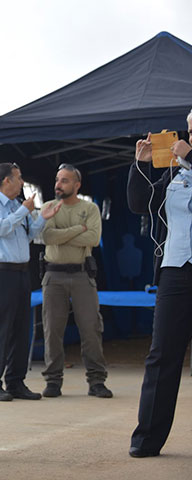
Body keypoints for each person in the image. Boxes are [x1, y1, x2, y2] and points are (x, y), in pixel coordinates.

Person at [127, 111, 192, 458]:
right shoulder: (175, 173)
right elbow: (141, 204)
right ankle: (147, 437)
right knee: (162, 354)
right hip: (176, 270)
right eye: (191, 130)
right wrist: (139, 165)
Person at [0, 163, 61, 402]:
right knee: (1, 329)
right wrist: (23, 212)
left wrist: (42, 219)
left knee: (21, 328)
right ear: (6, 180)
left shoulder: (18, 205)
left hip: (21, 272)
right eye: (18, 179)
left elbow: (25, 235)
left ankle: (16, 381)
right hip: (2, 272)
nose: (21, 183)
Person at [40, 164, 112, 399]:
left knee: (91, 328)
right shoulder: (49, 207)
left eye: (65, 180)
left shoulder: (90, 208)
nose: (58, 184)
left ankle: (96, 380)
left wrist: (65, 235)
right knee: (52, 330)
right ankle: (53, 381)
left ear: (77, 185)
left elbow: (93, 237)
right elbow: (47, 236)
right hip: (54, 276)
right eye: (58, 179)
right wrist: (77, 230)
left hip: (82, 275)